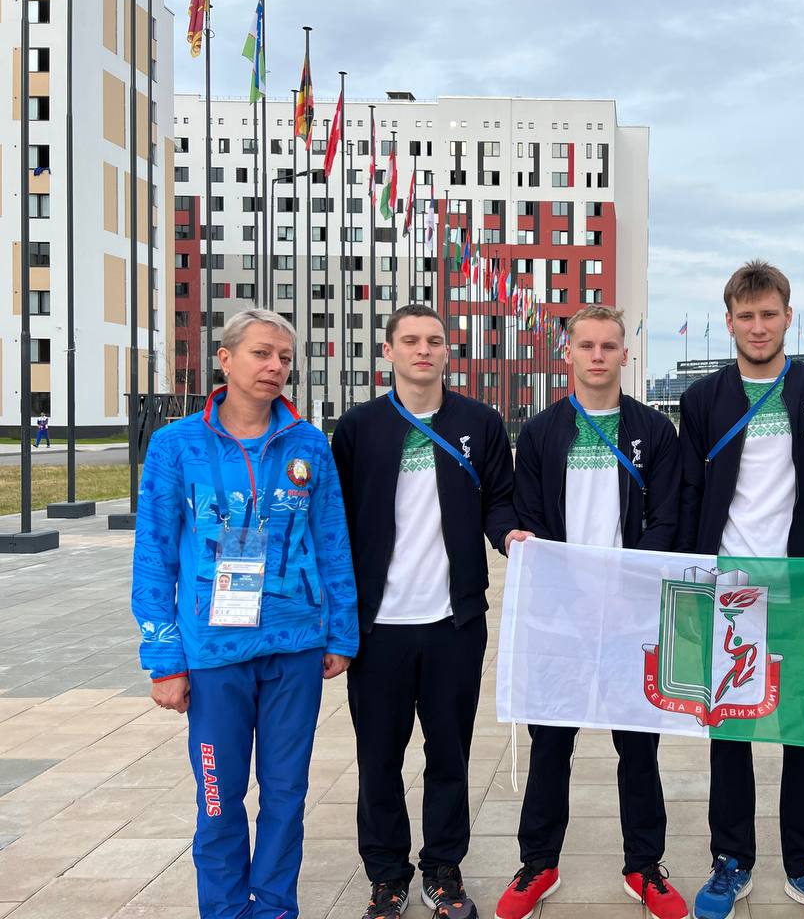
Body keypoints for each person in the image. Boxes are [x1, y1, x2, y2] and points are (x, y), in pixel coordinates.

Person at [130, 308, 359, 919]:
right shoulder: (175, 446)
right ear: (226, 359)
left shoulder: (309, 444)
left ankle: (275, 907)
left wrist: (341, 633)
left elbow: (332, 542)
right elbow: (153, 556)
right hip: (213, 653)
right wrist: (164, 658)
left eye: (284, 357)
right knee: (218, 798)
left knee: (286, 795)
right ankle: (225, 910)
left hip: (295, 648)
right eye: (261, 353)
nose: (275, 366)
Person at [331, 304, 529, 919]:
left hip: (454, 625)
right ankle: (387, 875)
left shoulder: (480, 421)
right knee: (379, 760)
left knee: (449, 756)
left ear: (448, 351)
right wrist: (334, 619)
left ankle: (443, 868)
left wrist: (509, 535)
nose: (424, 350)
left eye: (435, 341)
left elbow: (499, 500)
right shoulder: (359, 427)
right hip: (378, 629)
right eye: (411, 340)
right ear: (388, 351)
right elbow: (336, 523)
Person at [677, 260, 804, 919]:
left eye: (769, 314)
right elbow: (690, 495)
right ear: (729, 322)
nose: (758, 327)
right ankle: (731, 860)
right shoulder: (703, 400)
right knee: (729, 734)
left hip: (803, 588)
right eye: (746, 316)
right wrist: (691, 585)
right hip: (729, 591)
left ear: (788, 317)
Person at [497, 304, 686, 919]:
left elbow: (667, 521)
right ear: (568, 353)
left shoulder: (654, 431)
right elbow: (528, 516)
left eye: (609, 346)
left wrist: (625, 585)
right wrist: (561, 583)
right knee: (551, 744)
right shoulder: (541, 433)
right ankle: (538, 863)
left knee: (640, 749)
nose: (598, 356)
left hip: (631, 618)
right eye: (587, 345)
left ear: (625, 354)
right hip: (562, 618)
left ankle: (644, 866)